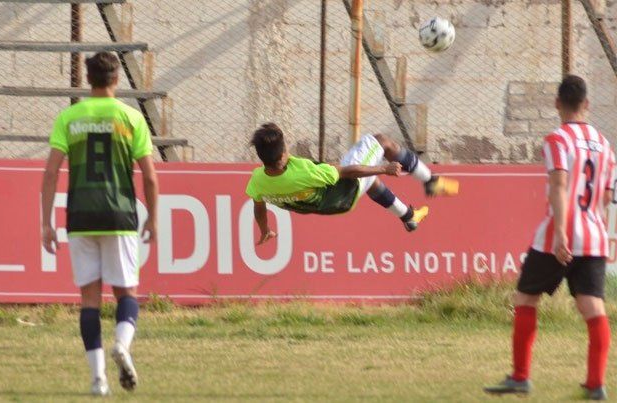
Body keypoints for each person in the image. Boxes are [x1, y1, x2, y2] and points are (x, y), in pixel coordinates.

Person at [484, 75, 613, 401]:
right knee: (592, 307)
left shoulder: (557, 139)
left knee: (526, 299)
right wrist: (604, 235)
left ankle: (520, 377)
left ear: (557, 103)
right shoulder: (604, 144)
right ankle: (596, 384)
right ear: (587, 104)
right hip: (594, 235)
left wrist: (561, 234)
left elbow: (559, 185)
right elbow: (606, 196)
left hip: (558, 236)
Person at [41, 52, 158, 396]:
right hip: (119, 215)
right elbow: (150, 176)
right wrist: (153, 216)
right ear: (116, 79)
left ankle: (98, 379)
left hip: (81, 215)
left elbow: (51, 172)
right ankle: (121, 344)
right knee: (126, 292)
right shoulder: (131, 118)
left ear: (87, 79)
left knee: (89, 299)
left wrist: (46, 223)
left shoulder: (69, 117)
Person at [245, 123, 459, 243]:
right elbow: (348, 172)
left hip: (328, 206)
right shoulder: (304, 173)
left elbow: (259, 206)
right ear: (283, 152)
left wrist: (264, 230)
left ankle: (408, 217)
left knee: (370, 181)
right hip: (346, 191)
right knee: (381, 142)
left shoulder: (258, 181)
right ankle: (431, 181)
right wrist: (384, 168)